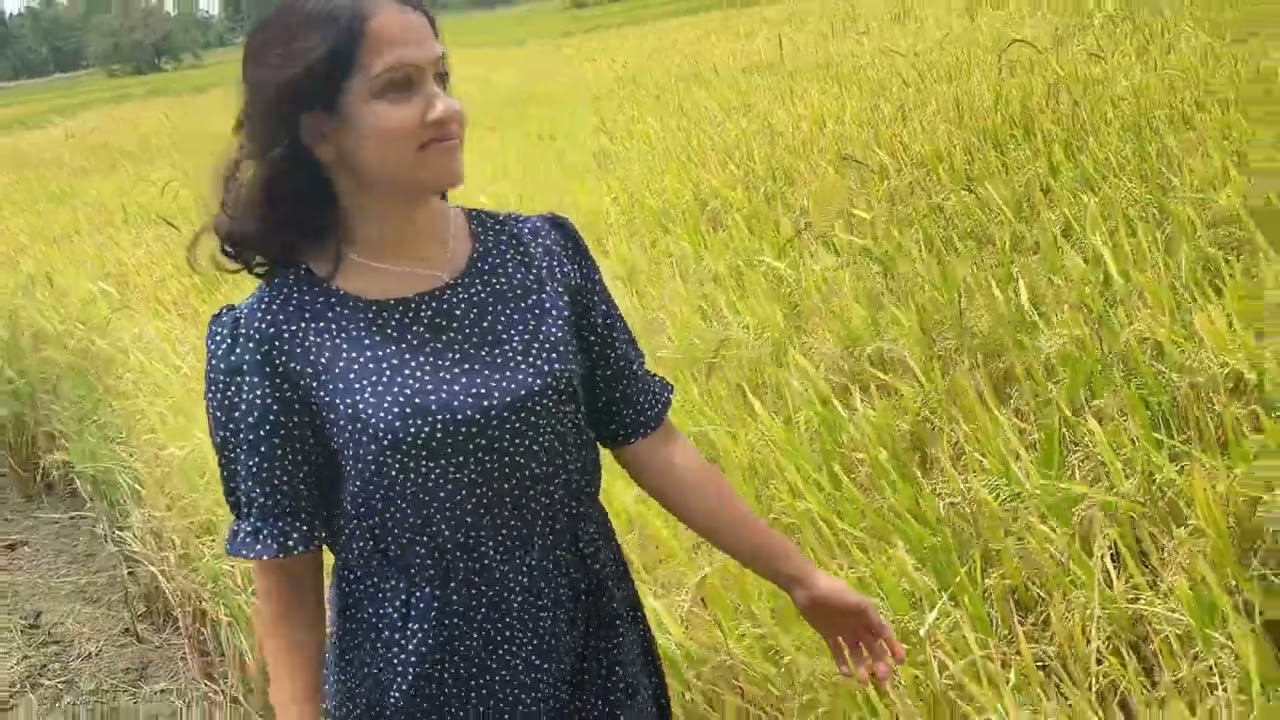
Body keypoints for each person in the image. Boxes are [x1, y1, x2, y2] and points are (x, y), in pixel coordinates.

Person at [193, 1, 906, 718]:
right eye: (399, 86)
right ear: (320, 130)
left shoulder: (540, 256)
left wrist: (800, 579)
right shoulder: (275, 336)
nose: (445, 108)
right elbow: (285, 571)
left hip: (589, 655)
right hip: (416, 684)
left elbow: (651, 440)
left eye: (442, 75)